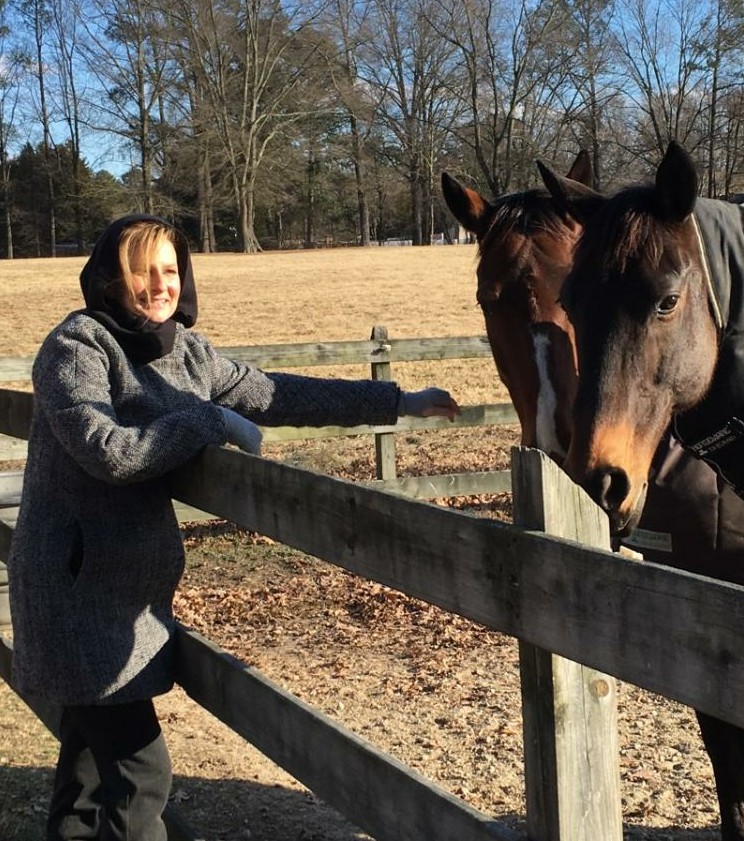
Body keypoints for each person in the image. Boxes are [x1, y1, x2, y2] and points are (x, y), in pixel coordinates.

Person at [7, 214, 460, 841]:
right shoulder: (77, 349)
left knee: (87, 775)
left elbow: (278, 394)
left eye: (170, 270)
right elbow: (109, 452)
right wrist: (208, 422)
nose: (160, 285)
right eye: (144, 272)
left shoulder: (189, 353)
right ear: (113, 279)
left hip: (128, 593)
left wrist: (397, 402)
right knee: (141, 774)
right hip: (74, 593)